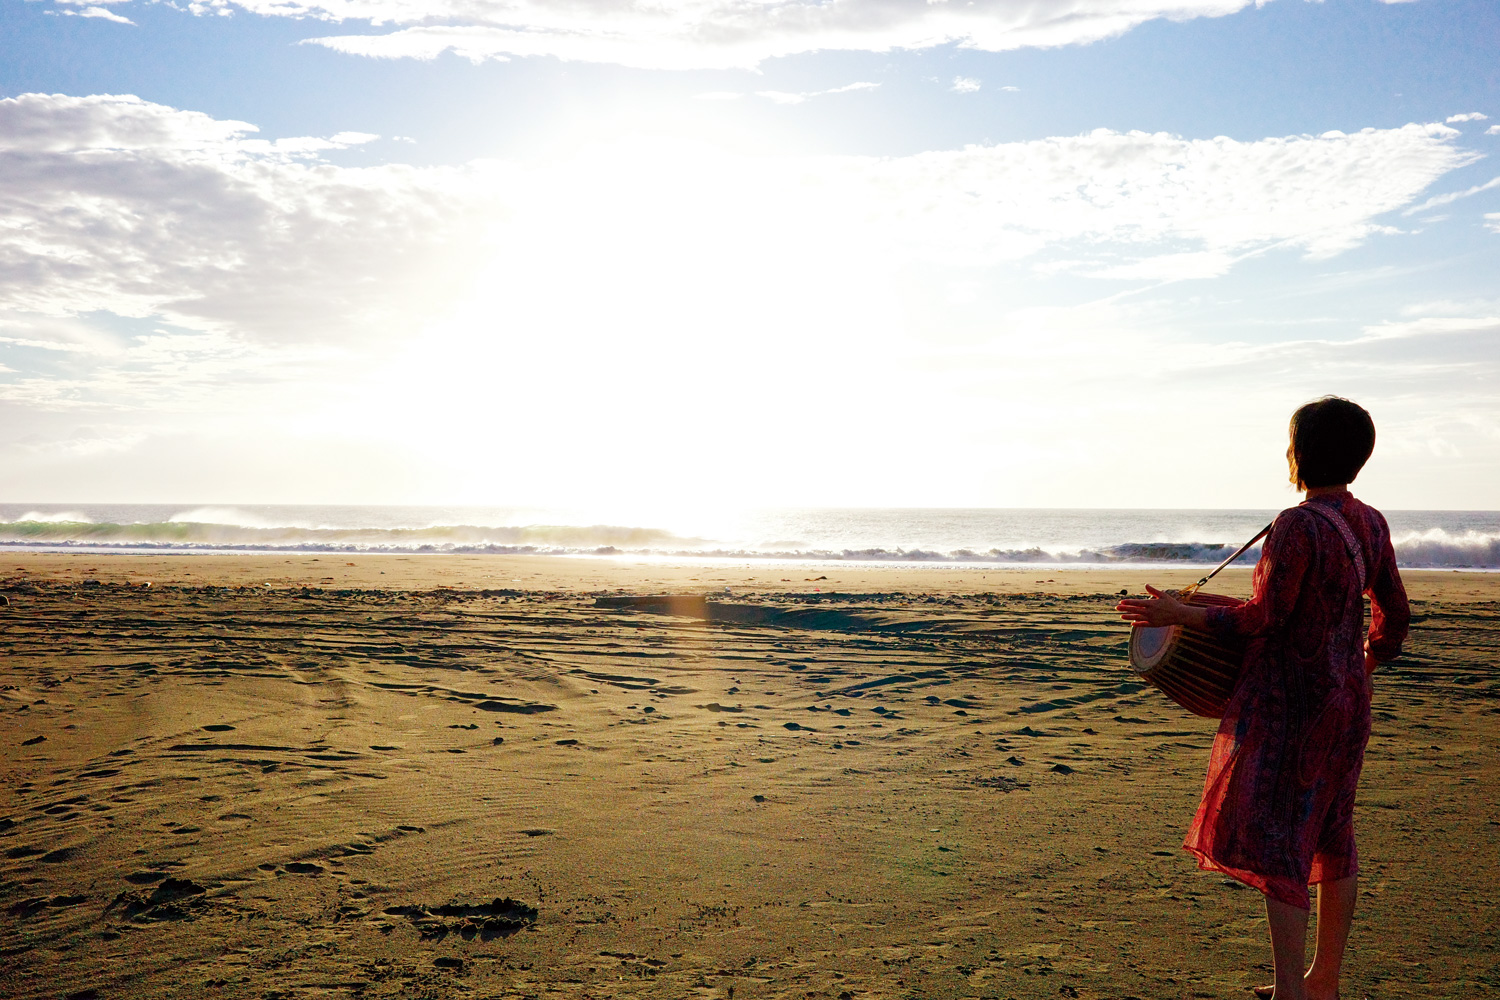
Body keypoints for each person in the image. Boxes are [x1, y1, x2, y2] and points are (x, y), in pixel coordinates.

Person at [1116, 396, 1409, 1000]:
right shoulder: (1371, 522)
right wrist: (1367, 662)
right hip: (1346, 699)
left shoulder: (1299, 524)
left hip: (1290, 704)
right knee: (1333, 834)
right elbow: (1394, 617)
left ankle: (1289, 992)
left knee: (1280, 842)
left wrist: (1179, 614)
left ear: (1298, 453)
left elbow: (1264, 620)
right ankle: (1322, 980)